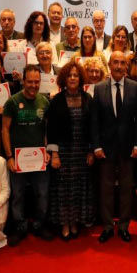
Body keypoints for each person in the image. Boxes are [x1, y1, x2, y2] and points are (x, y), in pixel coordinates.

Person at [90, 51, 137, 243]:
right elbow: (95, 120)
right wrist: (96, 146)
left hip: (129, 147)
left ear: (126, 66)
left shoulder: (135, 87)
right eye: (116, 63)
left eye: (122, 63)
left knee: (127, 188)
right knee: (106, 189)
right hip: (106, 147)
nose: (119, 66)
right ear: (110, 65)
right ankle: (106, 226)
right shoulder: (99, 88)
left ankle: (124, 226)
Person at [2, 64, 53, 245]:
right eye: (30, 82)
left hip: (39, 159)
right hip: (18, 159)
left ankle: (40, 224)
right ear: (23, 81)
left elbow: (47, 130)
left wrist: (47, 152)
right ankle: (20, 227)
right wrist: (9, 157)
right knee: (18, 195)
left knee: (42, 193)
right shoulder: (12, 102)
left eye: (36, 82)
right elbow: (5, 129)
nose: (33, 85)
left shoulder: (45, 102)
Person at [47, 61, 94, 240]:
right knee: (63, 189)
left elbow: (91, 127)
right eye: (69, 75)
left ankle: (75, 222)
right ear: (64, 79)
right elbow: (51, 129)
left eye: (76, 75)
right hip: (64, 152)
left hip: (81, 151)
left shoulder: (87, 98)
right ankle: (65, 223)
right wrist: (55, 154)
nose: (73, 78)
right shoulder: (57, 100)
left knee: (78, 188)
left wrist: (90, 151)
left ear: (80, 78)